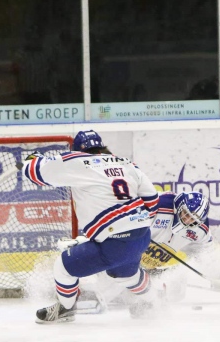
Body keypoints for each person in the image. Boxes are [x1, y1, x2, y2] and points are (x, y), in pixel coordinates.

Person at [22, 129, 159, 322]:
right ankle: (152, 301)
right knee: (126, 275)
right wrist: (133, 228)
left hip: (115, 243)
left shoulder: (78, 162)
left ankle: (65, 309)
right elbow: (152, 202)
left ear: (77, 149)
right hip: (141, 235)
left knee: (63, 267)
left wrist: (31, 157)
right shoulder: (127, 163)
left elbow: (35, 172)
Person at [77, 190, 218, 312]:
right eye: (185, 214)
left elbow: (205, 253)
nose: (187, 221)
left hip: (157, 267)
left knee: (176, 294)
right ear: (178, 207)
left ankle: (136, 295)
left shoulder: (200, 231)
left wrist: (210, 270)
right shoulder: (158, 206)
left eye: (192, 220)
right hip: (129, 258)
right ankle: (82, 291)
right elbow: (124, 221)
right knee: (114, 282)